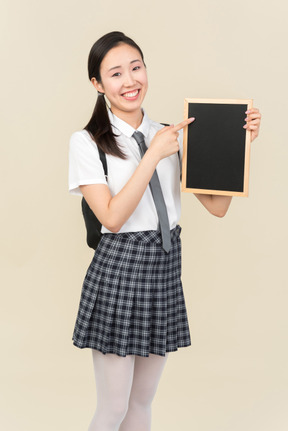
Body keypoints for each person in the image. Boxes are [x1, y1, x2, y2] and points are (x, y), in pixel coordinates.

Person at [68, 31, 261, 431]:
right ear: (97, 85)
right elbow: (111, 217)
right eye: (116, 73)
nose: (130, 81)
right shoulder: (87, 142)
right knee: (113, 406)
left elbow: (218, 207)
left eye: (136, 67)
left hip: (165, 268)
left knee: (141, 404)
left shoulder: (170, 136)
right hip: (119, 271)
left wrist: (238, 144)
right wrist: (153, 153)